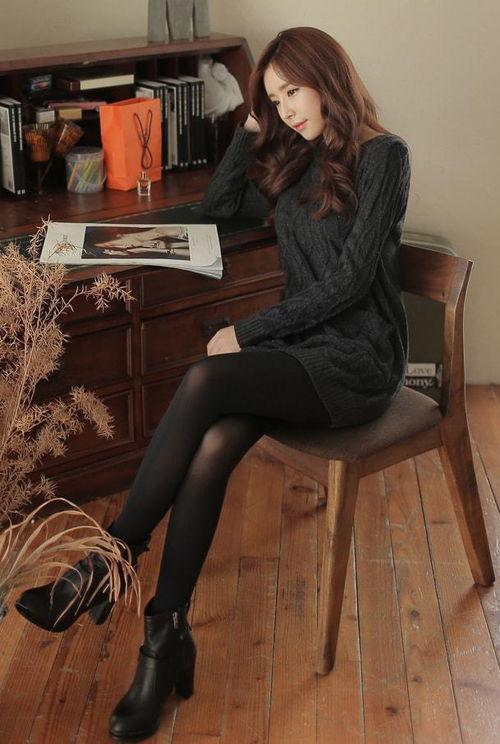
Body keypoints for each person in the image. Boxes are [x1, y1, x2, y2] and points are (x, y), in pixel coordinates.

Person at [15, 26, 411, 742]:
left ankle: (105, 565)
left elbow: (353, 282)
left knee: (205, 378)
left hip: (359, 360)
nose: (287, 109)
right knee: (214, 444)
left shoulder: (384, 156)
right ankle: (163, 638)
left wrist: (249, 332)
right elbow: (218, 208)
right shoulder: (295, 160)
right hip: (302, 350)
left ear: (329, 78)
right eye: (275, 98)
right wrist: (250, 129)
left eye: (294, 91)